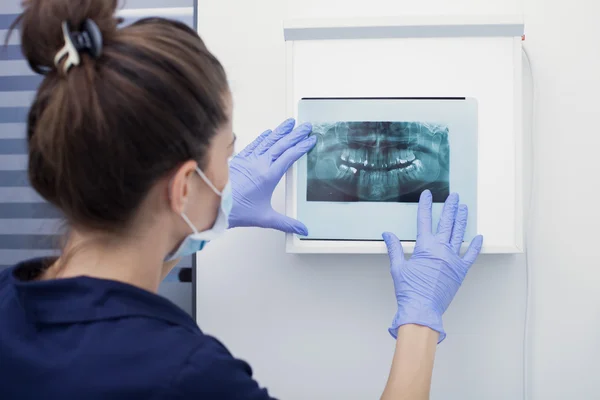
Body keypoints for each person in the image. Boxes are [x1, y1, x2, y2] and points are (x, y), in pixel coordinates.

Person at [0, 1, 483, 399]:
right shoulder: (189, 378)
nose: (230, 175)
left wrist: (214, 218)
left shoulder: (8, 300)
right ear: (184, 187)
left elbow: (104, 297)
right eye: (228, 153)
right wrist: (421, 319)